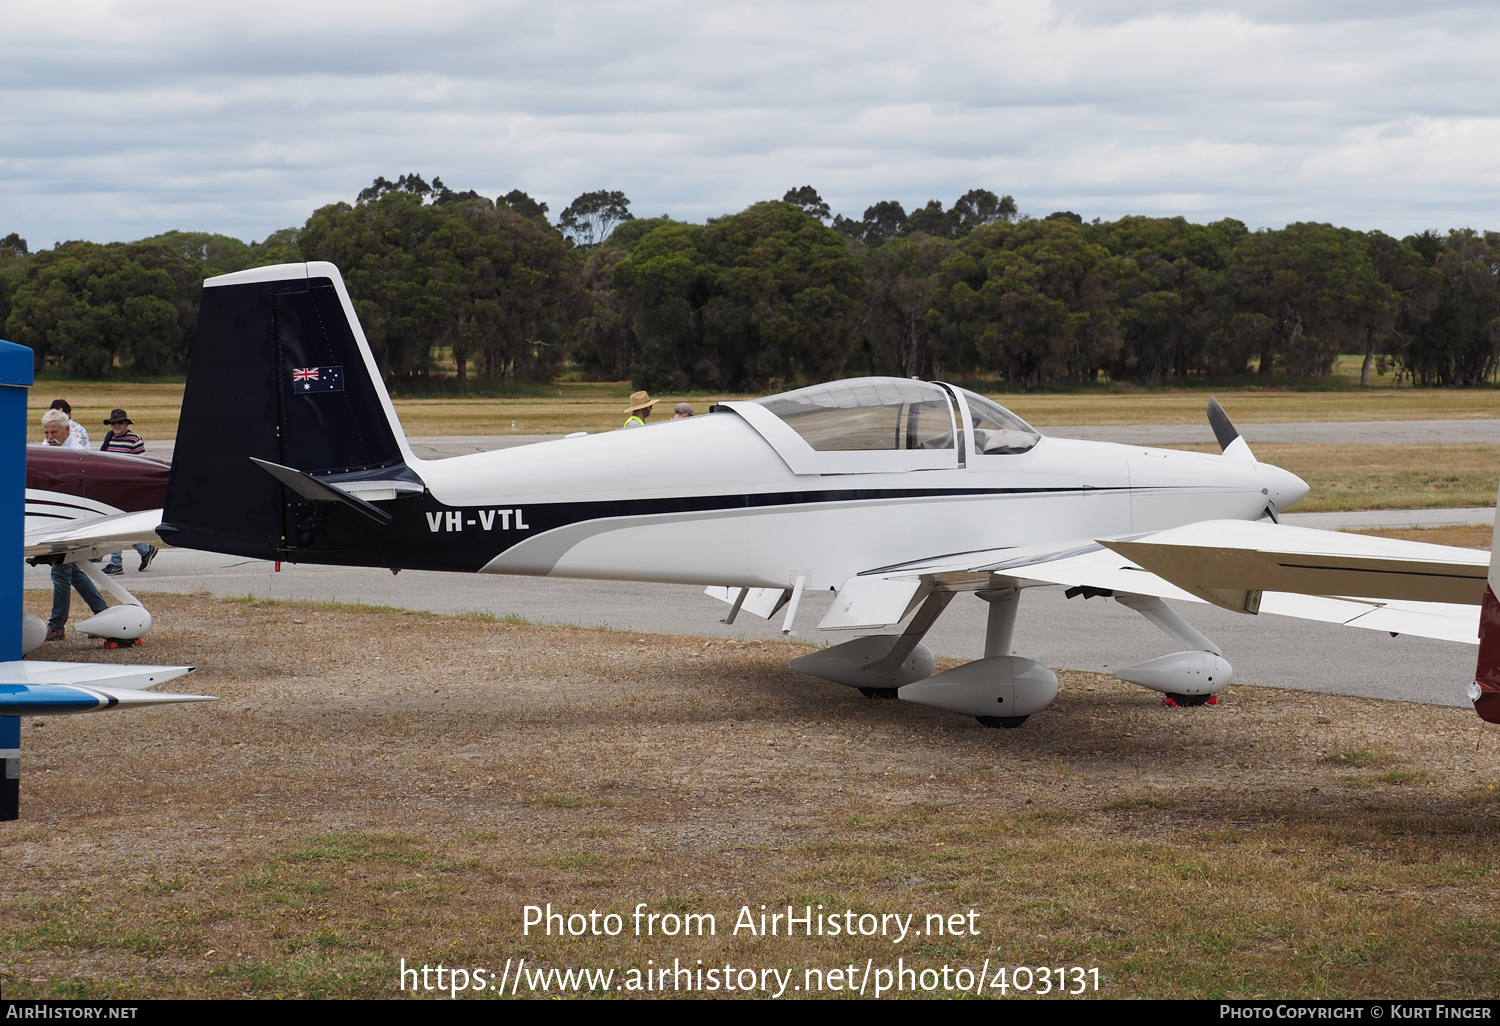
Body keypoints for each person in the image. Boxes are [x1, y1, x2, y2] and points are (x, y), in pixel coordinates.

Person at [40, 409, 109, 640]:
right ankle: (103, 614)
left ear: (67, 430)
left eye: (54, 432)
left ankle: (56, 626)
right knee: (73, 570)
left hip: (74, 520)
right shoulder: (47, 448)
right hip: (55, 518)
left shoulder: (77, 454)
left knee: (60, 570)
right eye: (46, 432)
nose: (49, 437)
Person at [99, 409, 156, 574]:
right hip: (111, 488)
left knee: (116, 526)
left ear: (126, 424)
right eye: (113, 423)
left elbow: (142, 465)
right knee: (118, 526)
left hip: (127, 489)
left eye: (120, 422)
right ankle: (146, 550)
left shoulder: (134, 439)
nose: (116, 425)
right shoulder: (109, 438)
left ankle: (116, 563)